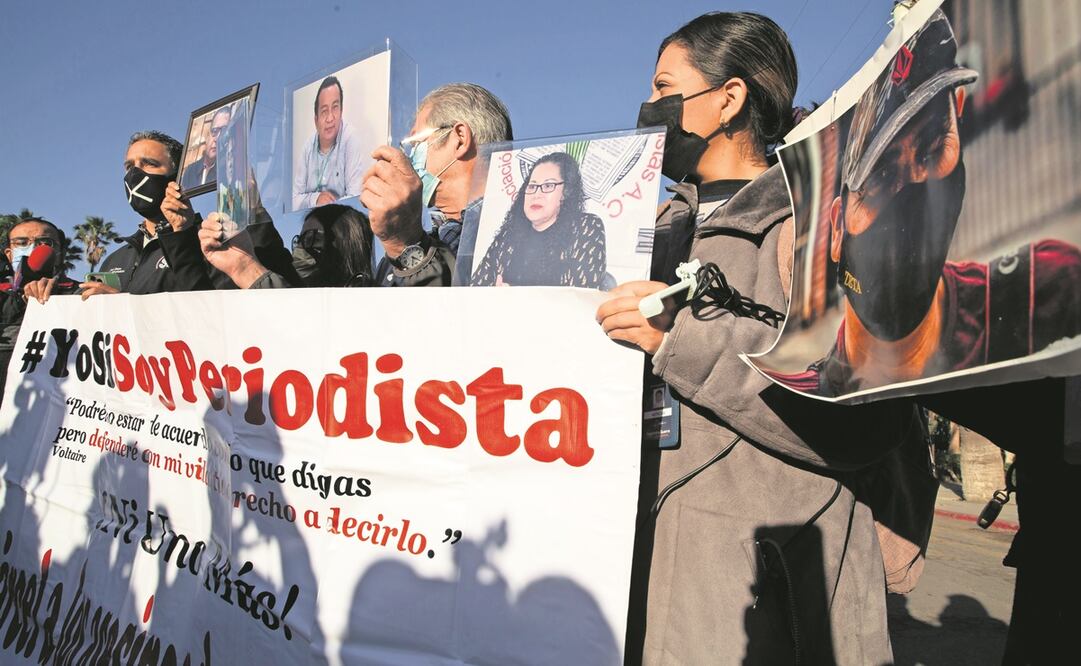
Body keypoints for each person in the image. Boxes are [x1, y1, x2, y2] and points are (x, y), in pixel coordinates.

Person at [595, 12, 919, 664]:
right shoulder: (643, 232)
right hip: (640, 578)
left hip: (765, 598)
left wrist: (680, 340)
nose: (650, 106)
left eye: (664, 87)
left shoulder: (820, 223)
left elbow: (863, 416)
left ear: (729, 98)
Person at [770, 9, 1081, 398]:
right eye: (881, 176)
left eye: (933, 148)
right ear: (837, 229)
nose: (914, 190)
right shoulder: (800, 393)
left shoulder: (1044, 294)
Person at [362, 82, 512, 286]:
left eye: (416, 144)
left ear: (460, 139)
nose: (409, 157)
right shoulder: (419, 241)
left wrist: (406, 243)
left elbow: (460, 303)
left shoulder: (518, 231)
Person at [89, 130, 213, 296]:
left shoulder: (209, 240)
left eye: (149, 163)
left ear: (178, 176)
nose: (134, 174)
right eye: (129, 166)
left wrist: (122, 305)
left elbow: (211, 305)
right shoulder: (115, 260)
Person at [470, 152, 606, 287]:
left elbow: (582, 293)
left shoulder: (586, 226)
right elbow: (476, 288)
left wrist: (516, 296)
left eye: (548, 186)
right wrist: (494, 293)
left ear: (566, 192)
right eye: (532, 186)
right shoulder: (509, 235)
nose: (536, 194)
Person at [199, 204, 371, 289]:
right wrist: (252, 208)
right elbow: (273, 255)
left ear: (346, 245)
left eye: (311, 238)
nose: (301, 247)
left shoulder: (361, 304)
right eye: (300, 238)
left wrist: (245, 269)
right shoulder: (296, 284)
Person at [0, 217, 79, 403]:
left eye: (45, 242)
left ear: (60, 252)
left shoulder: (80, 293)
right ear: (9, 254)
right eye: (22, 242)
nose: (34, 247)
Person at [292, 76, 365, 211]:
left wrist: (328, 206)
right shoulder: (307, 147)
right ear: (316, 120)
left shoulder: (351, 139)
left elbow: (355, 197)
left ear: (341, 111)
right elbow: (293, 200)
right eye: (324, 111)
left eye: (335, 108)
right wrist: (316, 199)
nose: (330, 118)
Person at [181, 105, 231, 190]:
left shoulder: (228, 174)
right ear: (207, 136)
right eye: (214, 131)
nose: (217, 139)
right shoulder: (190, 171)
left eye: (224, 132)